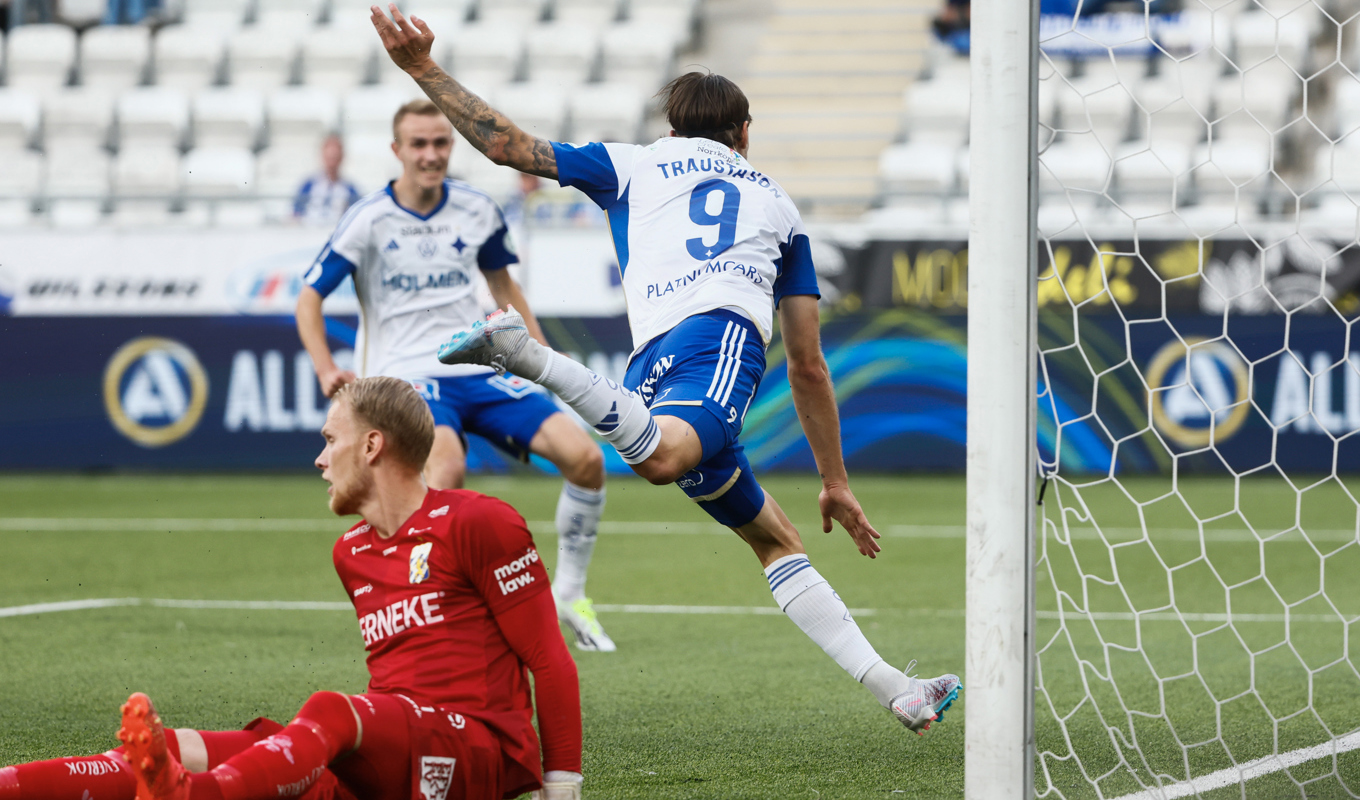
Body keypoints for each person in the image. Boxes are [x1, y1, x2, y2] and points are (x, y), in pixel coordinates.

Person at [369, 4, 961, 733]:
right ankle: (527, 355)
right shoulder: (777, 205)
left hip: (653, 371)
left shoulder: (633, 161)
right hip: (719, 353)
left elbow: (509, 147)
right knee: (663, 458)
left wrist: (424, 69)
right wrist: (834, 478)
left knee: (774, 539)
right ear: (745, 135)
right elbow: (807, 365)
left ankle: (896, 689)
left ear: (673, 130)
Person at [0, 377, 585, 800]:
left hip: (480, 752)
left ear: (372, 446)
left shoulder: (478, 521)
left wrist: (562, 789)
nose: (319, 459)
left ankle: (196, 798)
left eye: (331, 440)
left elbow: (549, 659)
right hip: (391, 752)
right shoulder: (350, 552)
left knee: (330, 711)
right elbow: (393, 697)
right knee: (178, 747)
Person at [296, 100, 616, 653]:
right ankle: (434, 615)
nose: (431, 154)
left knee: (586, 459)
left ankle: (571, 592)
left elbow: (504, 287)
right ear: (397, 151)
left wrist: (540, 358)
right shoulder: (368, 218)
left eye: (441, 143)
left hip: (476, 362)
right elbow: (309, 299)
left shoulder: (476, 208)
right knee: (446, 468)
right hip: (403, 376)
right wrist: (326, 367)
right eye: (418, 144)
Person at [293, 135, 362, 228]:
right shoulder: (308, 185)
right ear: (322, 156)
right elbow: (295, 213)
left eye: (335, 157)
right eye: (329, 157)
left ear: (341, 158)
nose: (332, 163)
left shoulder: (350, 189)